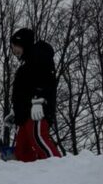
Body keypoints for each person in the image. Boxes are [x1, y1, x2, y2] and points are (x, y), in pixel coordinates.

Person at [8, 28, 63, 162]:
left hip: (36, 111)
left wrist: (38, 100)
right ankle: (31, 179)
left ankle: (58, 168)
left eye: (15, 46)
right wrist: (14, 112)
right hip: (25, 114)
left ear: (23, 43)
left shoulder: (38, 57)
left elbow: (45, 80)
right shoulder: (25, 67)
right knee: (22, 150)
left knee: (38, 138)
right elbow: (22, 92)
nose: (13, 50)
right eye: (12, 47)